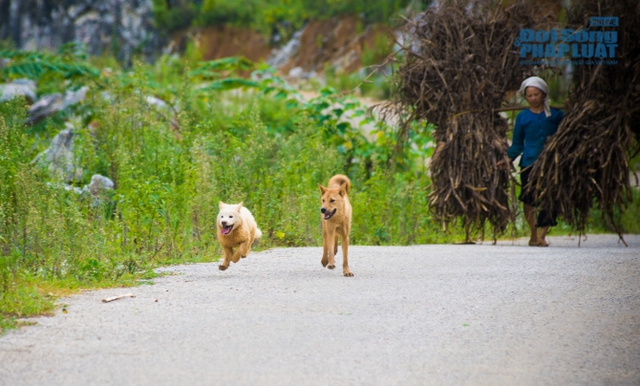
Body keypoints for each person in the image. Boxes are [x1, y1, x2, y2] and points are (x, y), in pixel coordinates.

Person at [498, 76, 564, 247]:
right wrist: (508, 158)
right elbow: (518, 143)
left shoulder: (556, 115)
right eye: (530, 95)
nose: (533, 98)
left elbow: (567, 134)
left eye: (536, 94)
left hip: (551, 163)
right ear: (525, 97)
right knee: (529, 198)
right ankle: (533, 233)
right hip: (529, 162)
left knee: (550, 197)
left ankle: (543, 234)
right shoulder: (523, 117)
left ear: (543, 94)